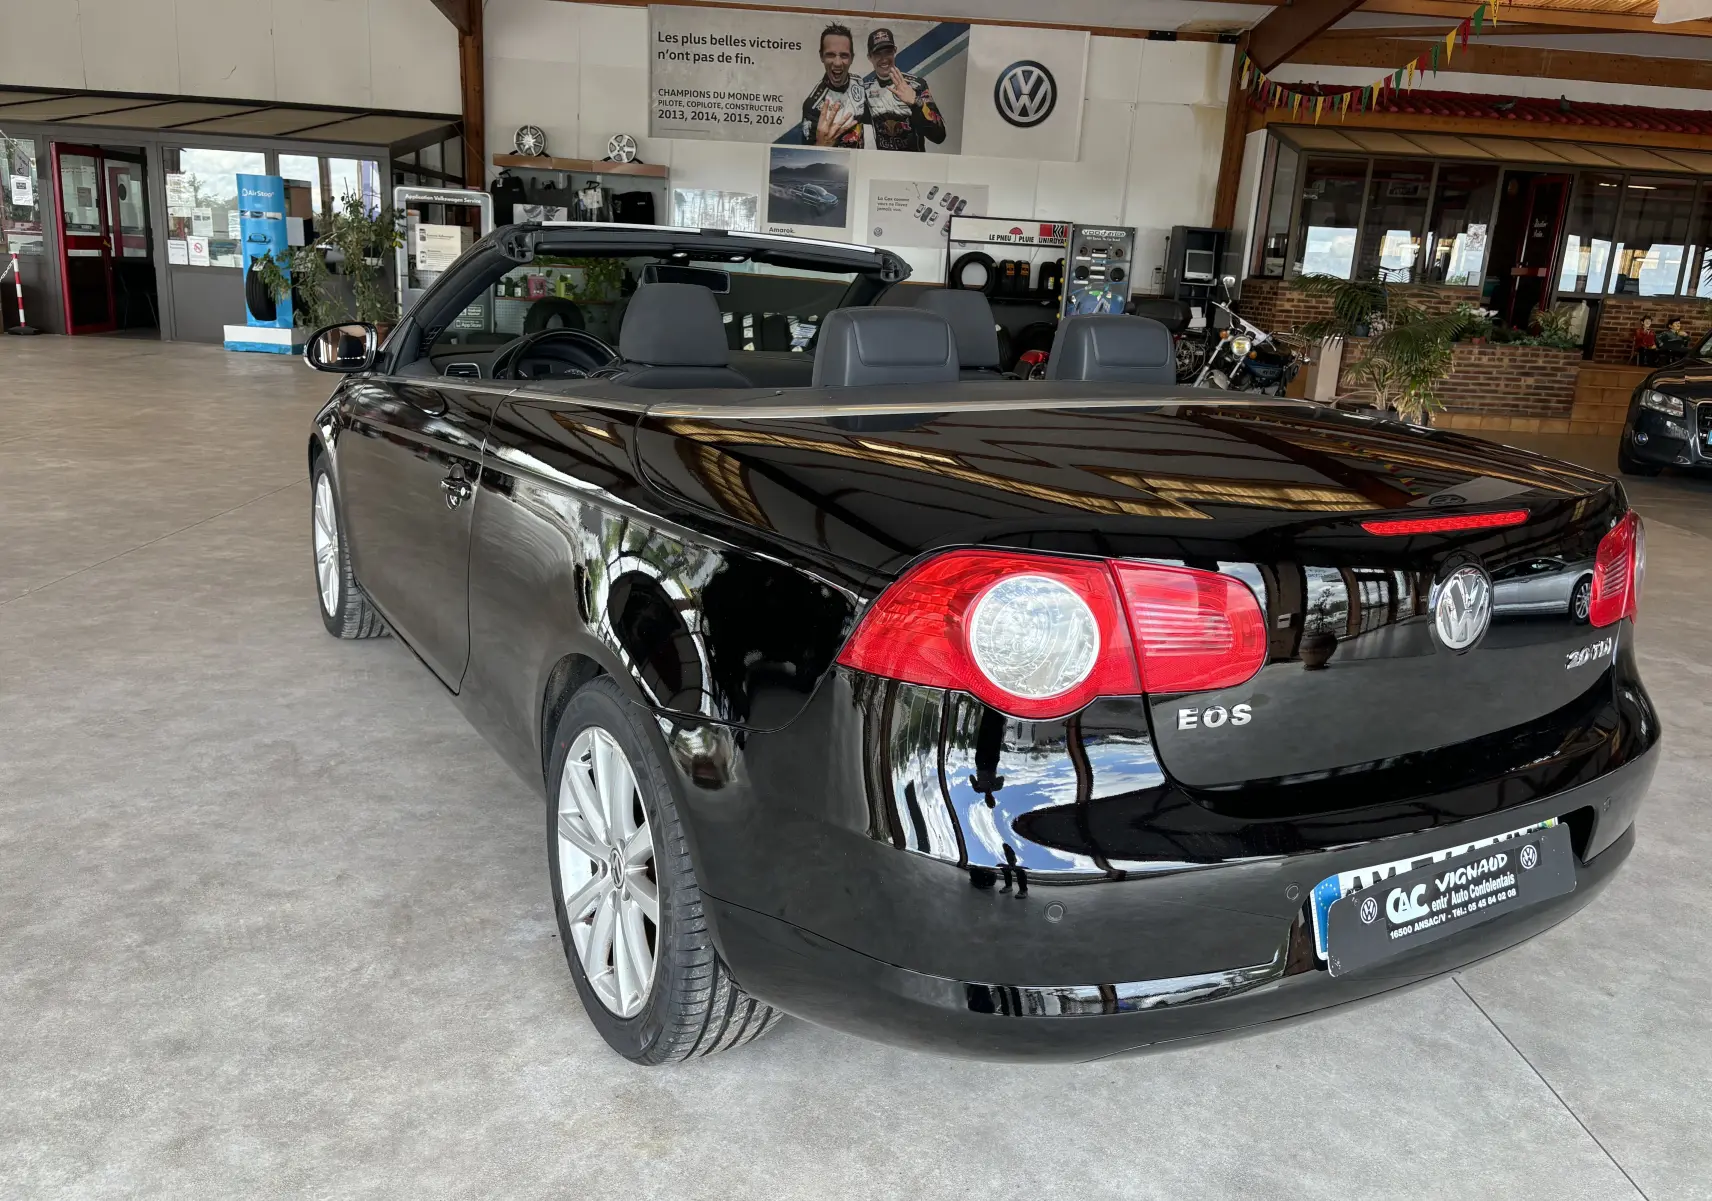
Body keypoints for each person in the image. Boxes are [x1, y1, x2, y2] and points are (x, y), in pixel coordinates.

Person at [861, 28, 946, 152]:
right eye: (878, 53)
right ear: (870, 57)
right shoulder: (865, 90)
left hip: (914, 167)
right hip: (883, 167)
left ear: (895, 51)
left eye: (888, 52)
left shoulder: (916, 85)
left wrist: (916, 103)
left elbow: (939, 136)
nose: (884, 58)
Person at [800, 24, 865, 148]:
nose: (837, 63)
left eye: (844, 55)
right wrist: (822, 144)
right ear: (821, 56)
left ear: (852, 58)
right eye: (830, 55)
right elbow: (807, 155)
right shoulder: (812, 106)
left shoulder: (859, 83)